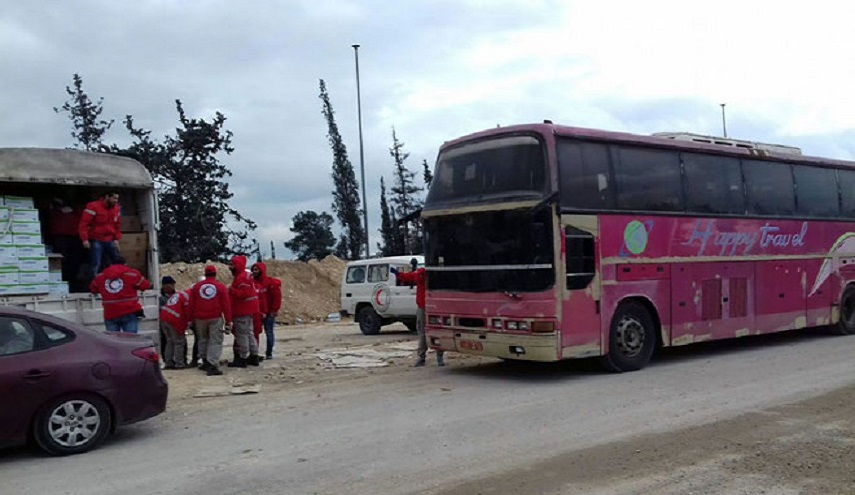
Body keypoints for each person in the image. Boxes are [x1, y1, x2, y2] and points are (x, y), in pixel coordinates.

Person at [390, 258, 443, 367]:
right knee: (436, 331)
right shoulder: (438, 273)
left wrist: (398, 273)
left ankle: (422, 357)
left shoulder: (422, 273)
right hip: (436, 306)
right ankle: (439, 357)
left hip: (423, 306)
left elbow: (409, 277)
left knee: (422, 332)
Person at [188, 265, 232, 376]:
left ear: (205, 273)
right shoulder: (220, 287)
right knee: (215, 340)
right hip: (215, 317)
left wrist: (190, 319)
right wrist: (228, 320)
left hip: (200, 318)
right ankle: (212, 364)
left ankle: (205, 361)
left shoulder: (196, 287)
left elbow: (191, 304)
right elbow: (226, 305)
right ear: (215, 274)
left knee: (202, 339)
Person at [89, 255, 151, 333]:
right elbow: (146, 285)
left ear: (110, 264)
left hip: (110, 313)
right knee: (131, 340)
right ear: (125, 264)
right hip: (129, 311)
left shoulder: (100, 277)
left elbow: (93, 289)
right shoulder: (132, 274)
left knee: (113, 342)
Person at [78, 192, 122, 278]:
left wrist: (116, 239)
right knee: (95, 263)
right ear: (107, 197)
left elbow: (117, 225)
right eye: (114, 198)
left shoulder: (116, 209)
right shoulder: (93, 206)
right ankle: (92, 285)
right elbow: (83, 224)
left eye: (117, 199)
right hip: (96, 239)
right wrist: (85, 239)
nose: (116, 201)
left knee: (118, 260)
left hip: (110, 239)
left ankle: (120, 281)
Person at [228, 255, 261, 368]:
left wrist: (231, 290)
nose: (229, 267)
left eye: (232, 265)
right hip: (250, 309)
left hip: (242, 310)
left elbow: (243, 294)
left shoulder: (241, 277)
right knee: (249, 333)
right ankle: (254, 355)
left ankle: (243, 358)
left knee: (242, 334)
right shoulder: (246, 275)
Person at [48, 197, 85, 292]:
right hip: (60, 238)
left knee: (74, 261)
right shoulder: (54, 212)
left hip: (74, 238)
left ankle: (72, 282)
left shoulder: (77, 211)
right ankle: (61, 281)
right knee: (62, 261)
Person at [252, 262, 282, 360]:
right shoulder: (252, 283)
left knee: (269, 332)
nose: (254, 271)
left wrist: (274, 310)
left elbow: (277, 298)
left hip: (269, 312)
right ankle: (254, 353)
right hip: (256, 312)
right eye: (253, 269)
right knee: (254, 332)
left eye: (256, 269)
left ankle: (269, 353)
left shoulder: (271, 283)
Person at [159, 284, 190, 370]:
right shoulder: (188, 297)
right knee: (179, 342)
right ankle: (179, 363)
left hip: (163, 317)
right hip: (174, 319)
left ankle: (168, 363)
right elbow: (188, 312)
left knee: (170, 341)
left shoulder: (180, 294)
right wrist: (188, 323)